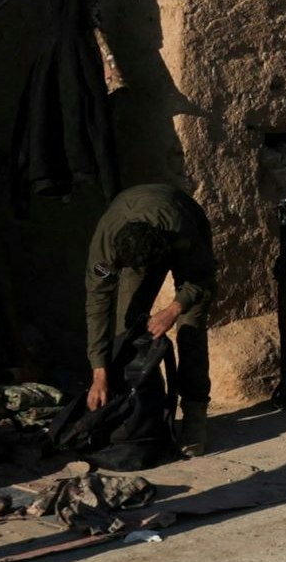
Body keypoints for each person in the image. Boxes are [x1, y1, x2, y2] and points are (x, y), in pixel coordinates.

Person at [84, 181, 218, 454]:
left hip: (183, 226)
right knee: (128, 326)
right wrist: (99, 372)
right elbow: (97, 303)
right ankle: (147, 410)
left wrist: (173, 309)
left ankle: (194, 415)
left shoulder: (183, 229)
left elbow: (202, 277)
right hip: (136, 226)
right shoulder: (108, 242)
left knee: (190, 330)